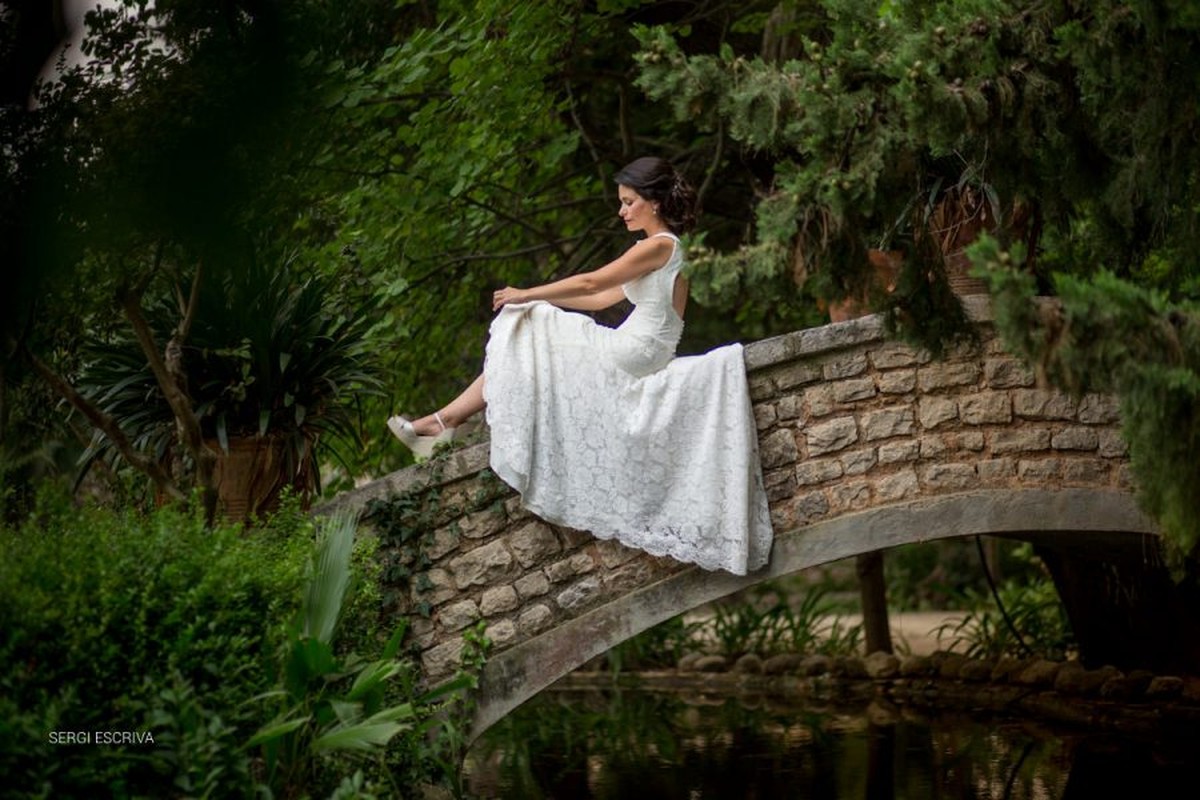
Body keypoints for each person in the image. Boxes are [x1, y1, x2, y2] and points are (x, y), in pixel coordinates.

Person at [389, 156, 773, 575]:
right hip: (643, 351)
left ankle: (441, 425)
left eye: (629, 202)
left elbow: (592, 282)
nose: (622, 211)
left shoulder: (660, 245)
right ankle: (440, 423)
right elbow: (599, 300)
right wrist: (539, 299)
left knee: (527, 324)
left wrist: (526, 292)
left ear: (654, 203)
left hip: (634, 352)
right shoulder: (661, 249)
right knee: (531, 324)